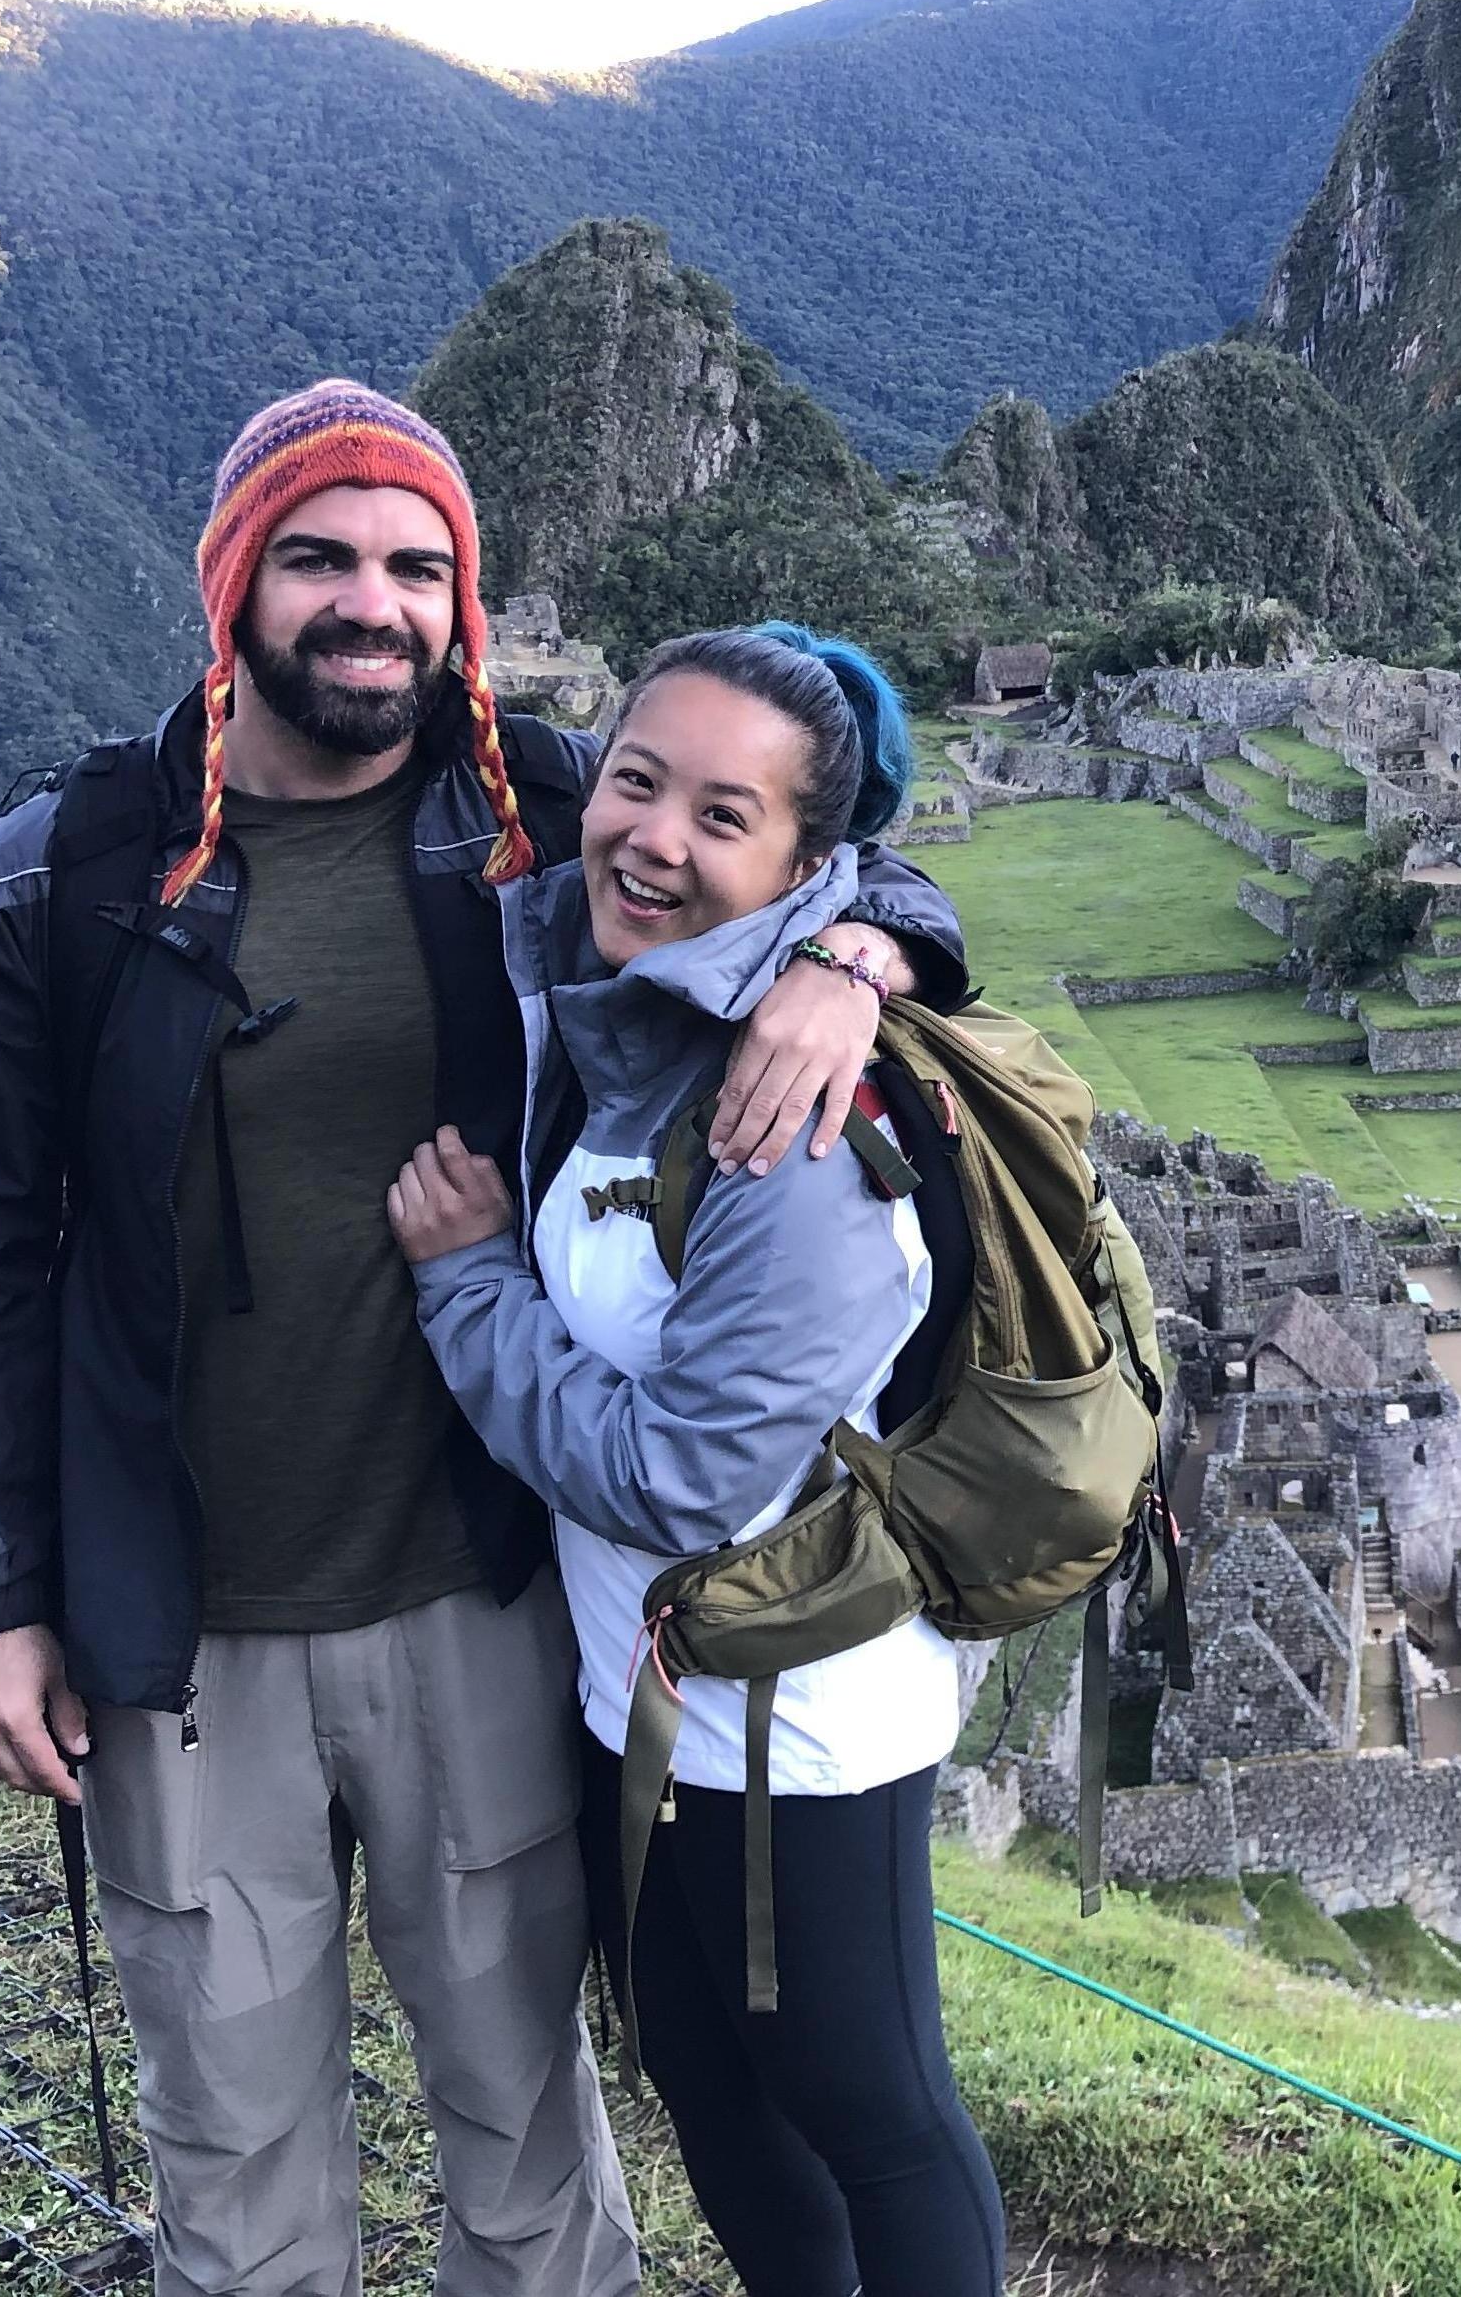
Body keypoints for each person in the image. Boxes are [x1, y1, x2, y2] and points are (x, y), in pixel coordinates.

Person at [0, 382, 970, 2297]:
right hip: (181, 1624)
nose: (373, 604)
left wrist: (858, 961)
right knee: (234, 2147)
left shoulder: (528, 805)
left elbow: (809, 823)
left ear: (460, 604)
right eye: (323, 557)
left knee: (528, 2123)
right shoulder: (64, 872)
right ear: (235, 583)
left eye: (418, 566)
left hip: (477, 1588)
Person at [389, 624, 1005, 2297]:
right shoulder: (624, 1018)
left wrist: (465, 1283)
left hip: (800, 1725)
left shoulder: (796, 1130)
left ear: (812, 864)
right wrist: (865, 941)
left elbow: (682, 1482)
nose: (654, 835)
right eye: (638, 781)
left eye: (723, 816)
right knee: (720, 2103)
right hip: (637, 1699)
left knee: (872, 2112)